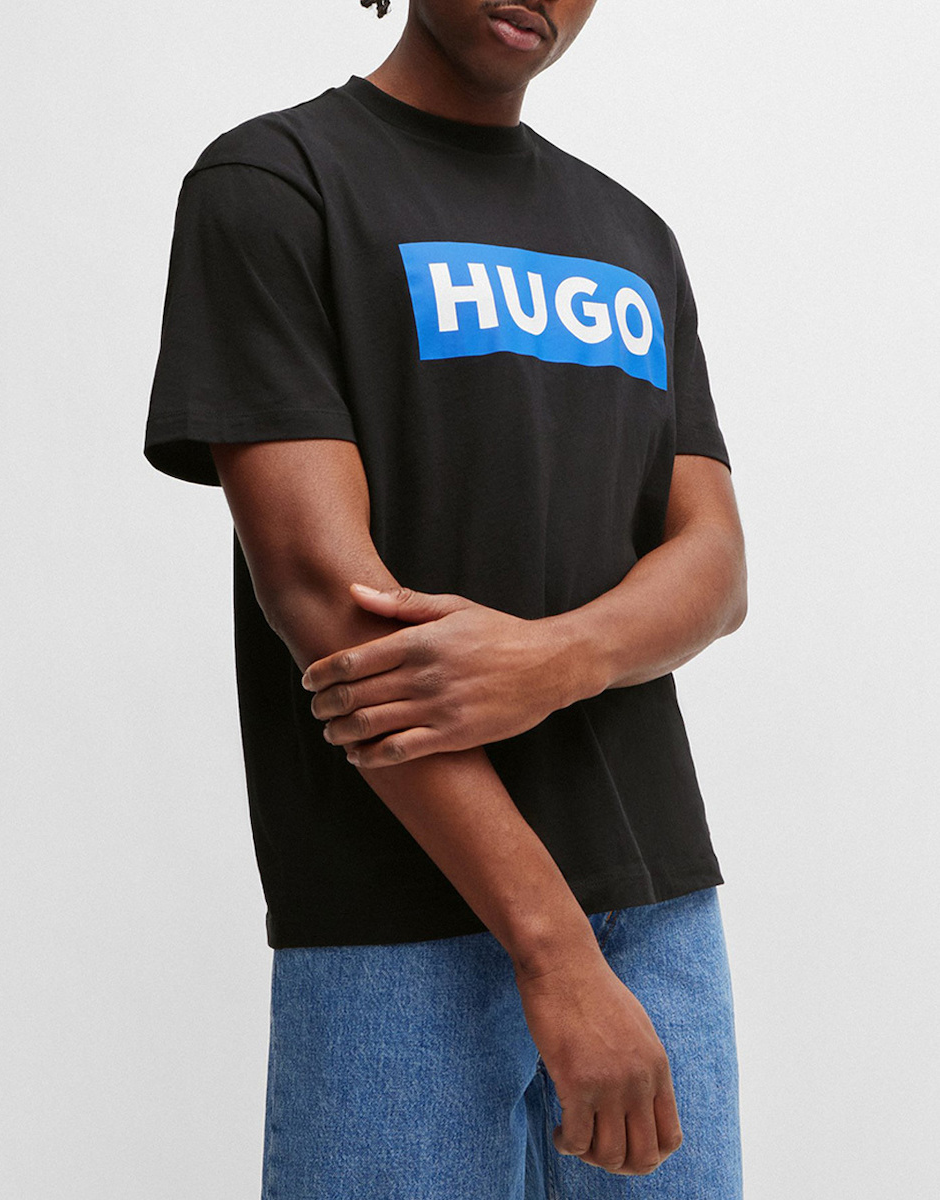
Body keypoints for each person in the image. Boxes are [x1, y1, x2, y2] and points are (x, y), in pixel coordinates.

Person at [143, 1, 748, 1196]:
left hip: (655, 908)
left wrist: (557, 658)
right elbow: (323, 596)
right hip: (395, 916)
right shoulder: (275, 182)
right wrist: (552, 950)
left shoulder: (632, 236)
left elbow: (715, 565)